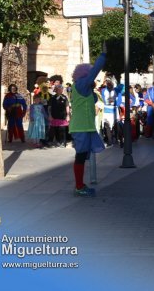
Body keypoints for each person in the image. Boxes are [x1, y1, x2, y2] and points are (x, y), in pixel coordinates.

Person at [69, 44, 107, 197]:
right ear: (84, 75)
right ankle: (79, 186)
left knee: (83, 156)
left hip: (86, 127)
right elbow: (94, 72)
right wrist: (103, 56)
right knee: (80, 156)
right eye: (91, 78)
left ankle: (80, 184)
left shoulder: (85, 88)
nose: (94, 81)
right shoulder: (82, 84)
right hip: (81, 127)